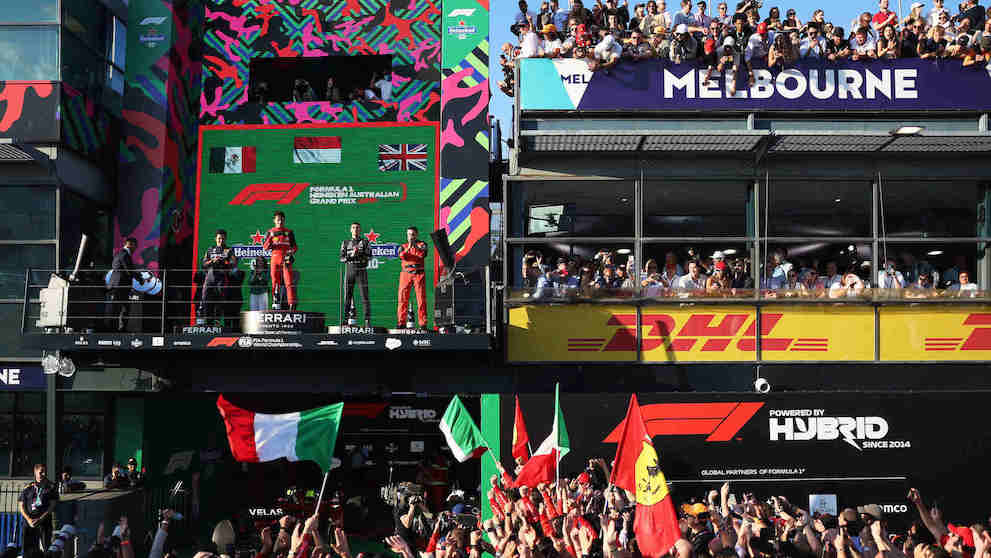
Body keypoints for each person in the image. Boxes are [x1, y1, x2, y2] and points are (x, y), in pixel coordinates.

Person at [199, 229, 237, 325]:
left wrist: (223, 262)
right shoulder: (210, 249)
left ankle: (217, 321)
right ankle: (207, 322)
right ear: (215, 239)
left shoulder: (229, 250)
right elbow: (203, 264)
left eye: (223, 239)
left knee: (220, 299)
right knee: (206, 298)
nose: (221, 240)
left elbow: (233, 263)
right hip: (210, 277)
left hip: (222, 277)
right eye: (219, 238)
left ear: (226, 239)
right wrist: (212, 261)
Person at [263, 211, 298, 311]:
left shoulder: (289, 232)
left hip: (286, 259)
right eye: (278, 219)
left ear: (284, 220)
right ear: (274, 220)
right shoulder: (270, 232)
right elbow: (265, 247)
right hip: (275, 258)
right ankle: (275, 303)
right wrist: (270, 237)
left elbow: (295, 247)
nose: (280, 221)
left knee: (288, 282)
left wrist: (290, 253)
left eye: (282, 219)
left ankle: (291, 304)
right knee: (275, 281)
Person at [19, 464, 58, 554]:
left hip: (44, 522)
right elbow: (21, 506)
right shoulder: (28, 488)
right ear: (35, 472)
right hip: (29, 523)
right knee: (28, 549)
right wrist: (28, 519)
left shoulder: (51, 487)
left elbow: (52, 506)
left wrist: (40, 519)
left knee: (46, 548)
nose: (43, 474)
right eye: (41, 472)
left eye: (44, 472)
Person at [340, 222, 372, 326]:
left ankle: (367, 320)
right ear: (350, 230)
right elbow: (342, 258)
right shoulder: (345, 242)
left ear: (360, 230)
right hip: (350, 270)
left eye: (357, 228)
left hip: (361, 270)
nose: (355, 229)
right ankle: (345, 320)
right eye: (353, 228)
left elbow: (370, 256)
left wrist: (360, 255)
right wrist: (352, 256)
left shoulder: (365, 242)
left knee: (364, 296)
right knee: (347, 296)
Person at [397, 226, 429, 329]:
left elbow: (422, 255)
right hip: (406, 274)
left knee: (421, 299)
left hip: (418, 274)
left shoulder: (422, 244)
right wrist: (409, 247)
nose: (410, 236)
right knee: (402, 298)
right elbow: (402, 256)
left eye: (412, 234)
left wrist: (414, 245)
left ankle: (423, 324)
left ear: (416, 235)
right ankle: (401, 323)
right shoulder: (403, 246)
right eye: (409, 234)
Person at [106, 237, 140, 332]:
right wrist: (140, 279)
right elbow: (129, 270)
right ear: (130, 244)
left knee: (121, 308)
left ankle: (117, 329)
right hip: (120, 286)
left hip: (118, 285)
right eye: (135, 246)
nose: (135, 249)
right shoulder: (124, 254)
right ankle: (117, 330)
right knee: (120, 308)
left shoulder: (120, 254)